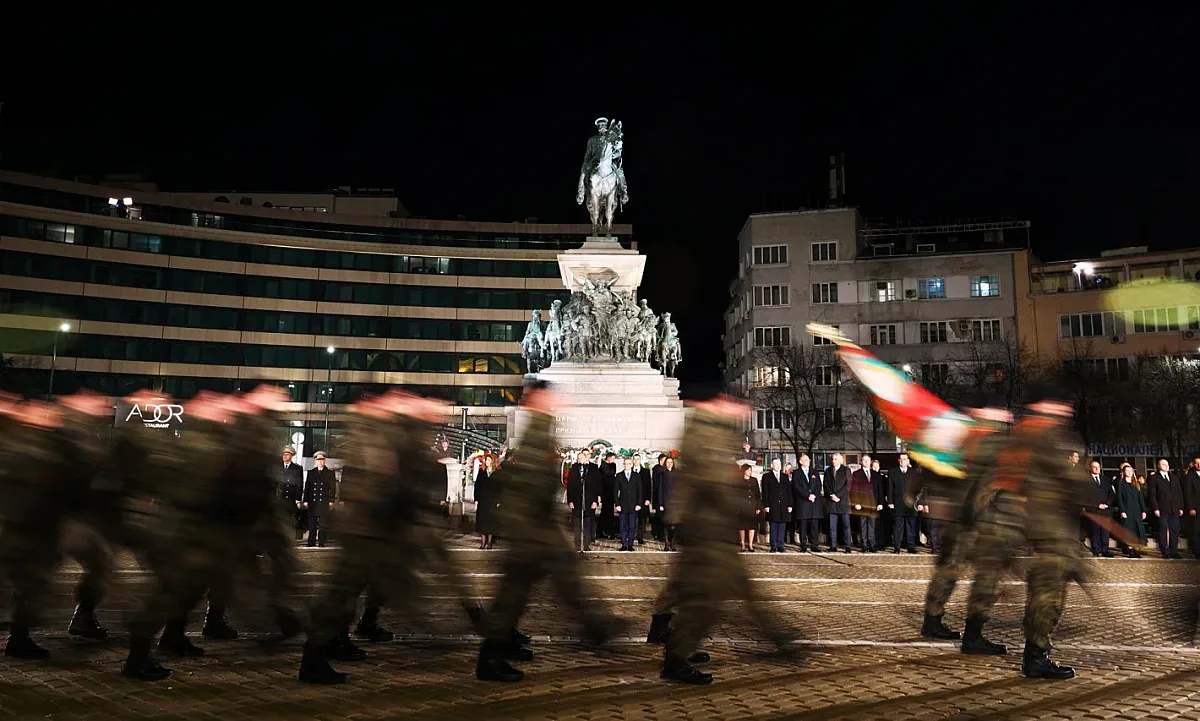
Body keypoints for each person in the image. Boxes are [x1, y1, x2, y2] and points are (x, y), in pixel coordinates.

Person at [658, 386, 804, 684]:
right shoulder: (706, 430)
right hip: (707, 530)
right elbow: (714, 481)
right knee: (706, 600)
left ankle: (778, 639)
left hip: (713, 528)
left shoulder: (712, 428)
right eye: (737, 405)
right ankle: (675, 658)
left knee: (740, 589)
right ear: (721, 402)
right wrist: (745, 508)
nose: (741, 411)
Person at [475, 381, 617, 682]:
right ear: (536, 399)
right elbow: (526, 485)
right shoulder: (537, 431)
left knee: (529, 590)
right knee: (515, 595)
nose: (555, 401)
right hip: (529, 530)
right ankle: (491, 657)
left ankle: (594, 626)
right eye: (548, 396)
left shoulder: (542, 427)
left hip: (536, 527)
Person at [921, 397, 1010, 642]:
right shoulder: (987, 440)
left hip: (954, 518)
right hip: (977, 520)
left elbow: (932, 470)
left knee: (947, 571)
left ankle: (932, 621)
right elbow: (990, 482)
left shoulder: (957, 439)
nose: (1004, 417)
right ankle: (974, 633)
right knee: (987, 575)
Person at [566, 450, 601, 551]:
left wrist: (595, 500)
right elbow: (570, 486)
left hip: (589, 500)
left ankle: (586, 544)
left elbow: (596, 485)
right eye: (578, 458)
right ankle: (577, 544)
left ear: (586, 458)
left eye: (582, 458)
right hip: (576, 501)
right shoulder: (574, 469)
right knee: (577, 524)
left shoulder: (592, 468)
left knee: (587, 524)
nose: (580, 460)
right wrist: (570, 500)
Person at [1112, 463, 1148, 558]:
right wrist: (1122, 511)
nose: (1129, 472)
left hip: (1136, 510)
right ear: (1124, 472)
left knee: (1136, 531)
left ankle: (1136, 549)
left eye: (1131, 471)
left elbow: (1140, 498)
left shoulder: (1136, 483)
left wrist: (1143, 510)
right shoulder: (1121, 483)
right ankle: (1130, 550)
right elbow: (1119, 498)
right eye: (1127, 471)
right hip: (1127, 510)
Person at [887, 453, 919, 553]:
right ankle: (897, 547)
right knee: (897, 527)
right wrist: (890, 501)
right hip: (898, 503)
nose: (902, 461)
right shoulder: (893, 472)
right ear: (898, 460)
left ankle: (911, 547)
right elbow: (890, 487)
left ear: (908, 461)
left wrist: (919, 503)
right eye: (901, 459)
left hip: (911, 505)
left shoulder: (914, 472)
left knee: (911, 527)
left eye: (904, 459)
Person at [761, 458, 792, 552]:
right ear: (772, 465)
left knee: (782, 525)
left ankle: (781, 545)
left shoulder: (785, 476)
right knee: (773, 525)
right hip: (772, 504)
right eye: (776, 464)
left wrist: (790, 505)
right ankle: (773, 545)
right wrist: (766, 505)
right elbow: (765, 492)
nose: (778, 466)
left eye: (779, 464)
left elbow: (789, 492)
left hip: (783, 505)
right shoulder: (766, 476)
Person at [792, 454, 822, 552]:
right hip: (803, 503)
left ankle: (814, 545)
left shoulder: (814, 472)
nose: (808, 461)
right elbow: (796, 486)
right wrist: (807, 495)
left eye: (808, 459)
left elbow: (818, 485)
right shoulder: (796, 473)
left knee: (814, 526)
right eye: (805, 460)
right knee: (803, 526)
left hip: (814, 503)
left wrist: (814, 495)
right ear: (800, 462)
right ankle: (803, 545)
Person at [824, 453, 852, 553]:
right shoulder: (828, 471)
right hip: (831, 502)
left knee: (846, 525)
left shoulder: (846, 470)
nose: (833, 461)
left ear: (841, 460)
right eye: (832, 459)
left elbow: (847, 486)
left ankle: (847, 546)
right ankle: (833, 545)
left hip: (843, 502)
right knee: (832, 526)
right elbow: (826, 485)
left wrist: (838, 496)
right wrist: (831, 495)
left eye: (836, 459)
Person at [474, 455, 500, 549]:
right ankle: (482, 542)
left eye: (489, 460)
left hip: (492, 501)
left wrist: (498, 500)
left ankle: (489, 542)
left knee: (490, 521)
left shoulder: (497, 473)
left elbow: (500, 488)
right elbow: (477, 486)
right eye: (486, 460)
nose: (486, 461)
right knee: (482, 521)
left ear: (493, 461)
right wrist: (476, 500)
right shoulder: (482, 471)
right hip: (482, 500)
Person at [655, 456, 679, 551]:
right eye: (668, 462)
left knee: (675, 524)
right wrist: (660, 503)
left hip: (675, 503)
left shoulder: (676, 474)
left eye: (671, 462)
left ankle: (672, 543)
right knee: (665, 524)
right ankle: (666, 544)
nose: (669, 464)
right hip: (666, 502)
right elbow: (660, 490)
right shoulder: (662, 474)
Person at [737, 463, 762, 552]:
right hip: (742, 506)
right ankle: (743, 543)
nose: (750, 472)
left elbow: (758, 494)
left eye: (751, 470)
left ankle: (751, 544)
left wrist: (758, 507)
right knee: (742, 526)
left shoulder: (754, 480)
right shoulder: (739, 481)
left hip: (752, 505)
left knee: (752, 526)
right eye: (748, 470)